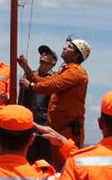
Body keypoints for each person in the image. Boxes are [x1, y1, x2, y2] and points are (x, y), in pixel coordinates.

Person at [19, 38, 90, 168]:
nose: (64, 48)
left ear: (76, 55)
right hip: (59, 128)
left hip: (69, 130)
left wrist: (31, 86)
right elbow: (43, 81)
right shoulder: (65, 71)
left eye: (69, 47)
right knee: (57, 166)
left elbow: (53, 85)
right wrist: (26, 68)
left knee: (67, 166)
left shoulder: (76, 72)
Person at [18, 44, 57, 164]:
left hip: (46, 129)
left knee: (45, 164)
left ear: (54, 61)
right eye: (42, 53)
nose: (43, 55)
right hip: (28, 127)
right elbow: (22, 100)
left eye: (47, 53)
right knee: (27, 163)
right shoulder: (27, 76)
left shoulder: (55, 78)